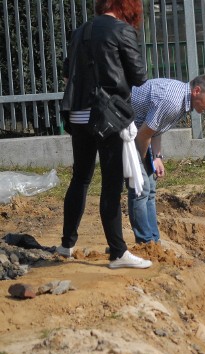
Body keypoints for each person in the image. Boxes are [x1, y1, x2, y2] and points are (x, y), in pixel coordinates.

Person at [58, 0, 151, 269]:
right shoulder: (122, 31)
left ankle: (66, 244)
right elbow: (139, 75)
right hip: (108, 116)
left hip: (78, 113)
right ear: (127, 8)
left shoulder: (81, 31)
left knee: (80, 178)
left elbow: (68, 71)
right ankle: (118, 253)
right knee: (111, 183)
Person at [127, 76, 205, 243]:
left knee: (150, 189)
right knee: (141, 188)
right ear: (197, 91)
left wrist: (156, 157)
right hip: (124, 130)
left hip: (139, 133)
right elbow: (143, 135)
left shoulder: (182, 100)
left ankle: (153, 241)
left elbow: (155, 129)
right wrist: (143, 162)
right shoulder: (172, 101)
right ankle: (145, 243)